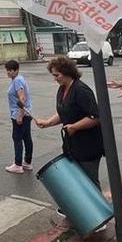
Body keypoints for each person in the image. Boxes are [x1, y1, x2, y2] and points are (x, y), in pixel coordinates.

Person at [35, 57, 104, 192]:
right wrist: (48, 122)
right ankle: (81, 210)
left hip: (88, 145)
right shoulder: (62, 89)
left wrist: (75, 127)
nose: (55, 78)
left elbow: (96, 117)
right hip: (71, 145)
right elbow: (65, 112)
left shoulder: (81, 90)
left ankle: (100, 211)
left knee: (90, 181)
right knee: (77, 180)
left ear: (66, 72)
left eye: (57, 75)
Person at [4, 60, 34, 173]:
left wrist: (19, 115)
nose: (8, 72)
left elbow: (22, 99)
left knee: (17, 138)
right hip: (25, 113)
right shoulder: (18, 80)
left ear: (16, 70)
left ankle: (18, 164)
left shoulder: (17, 81)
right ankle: (27, 162)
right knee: (26, 138)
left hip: (20, 114)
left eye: (11, 70)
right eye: (7, 70)